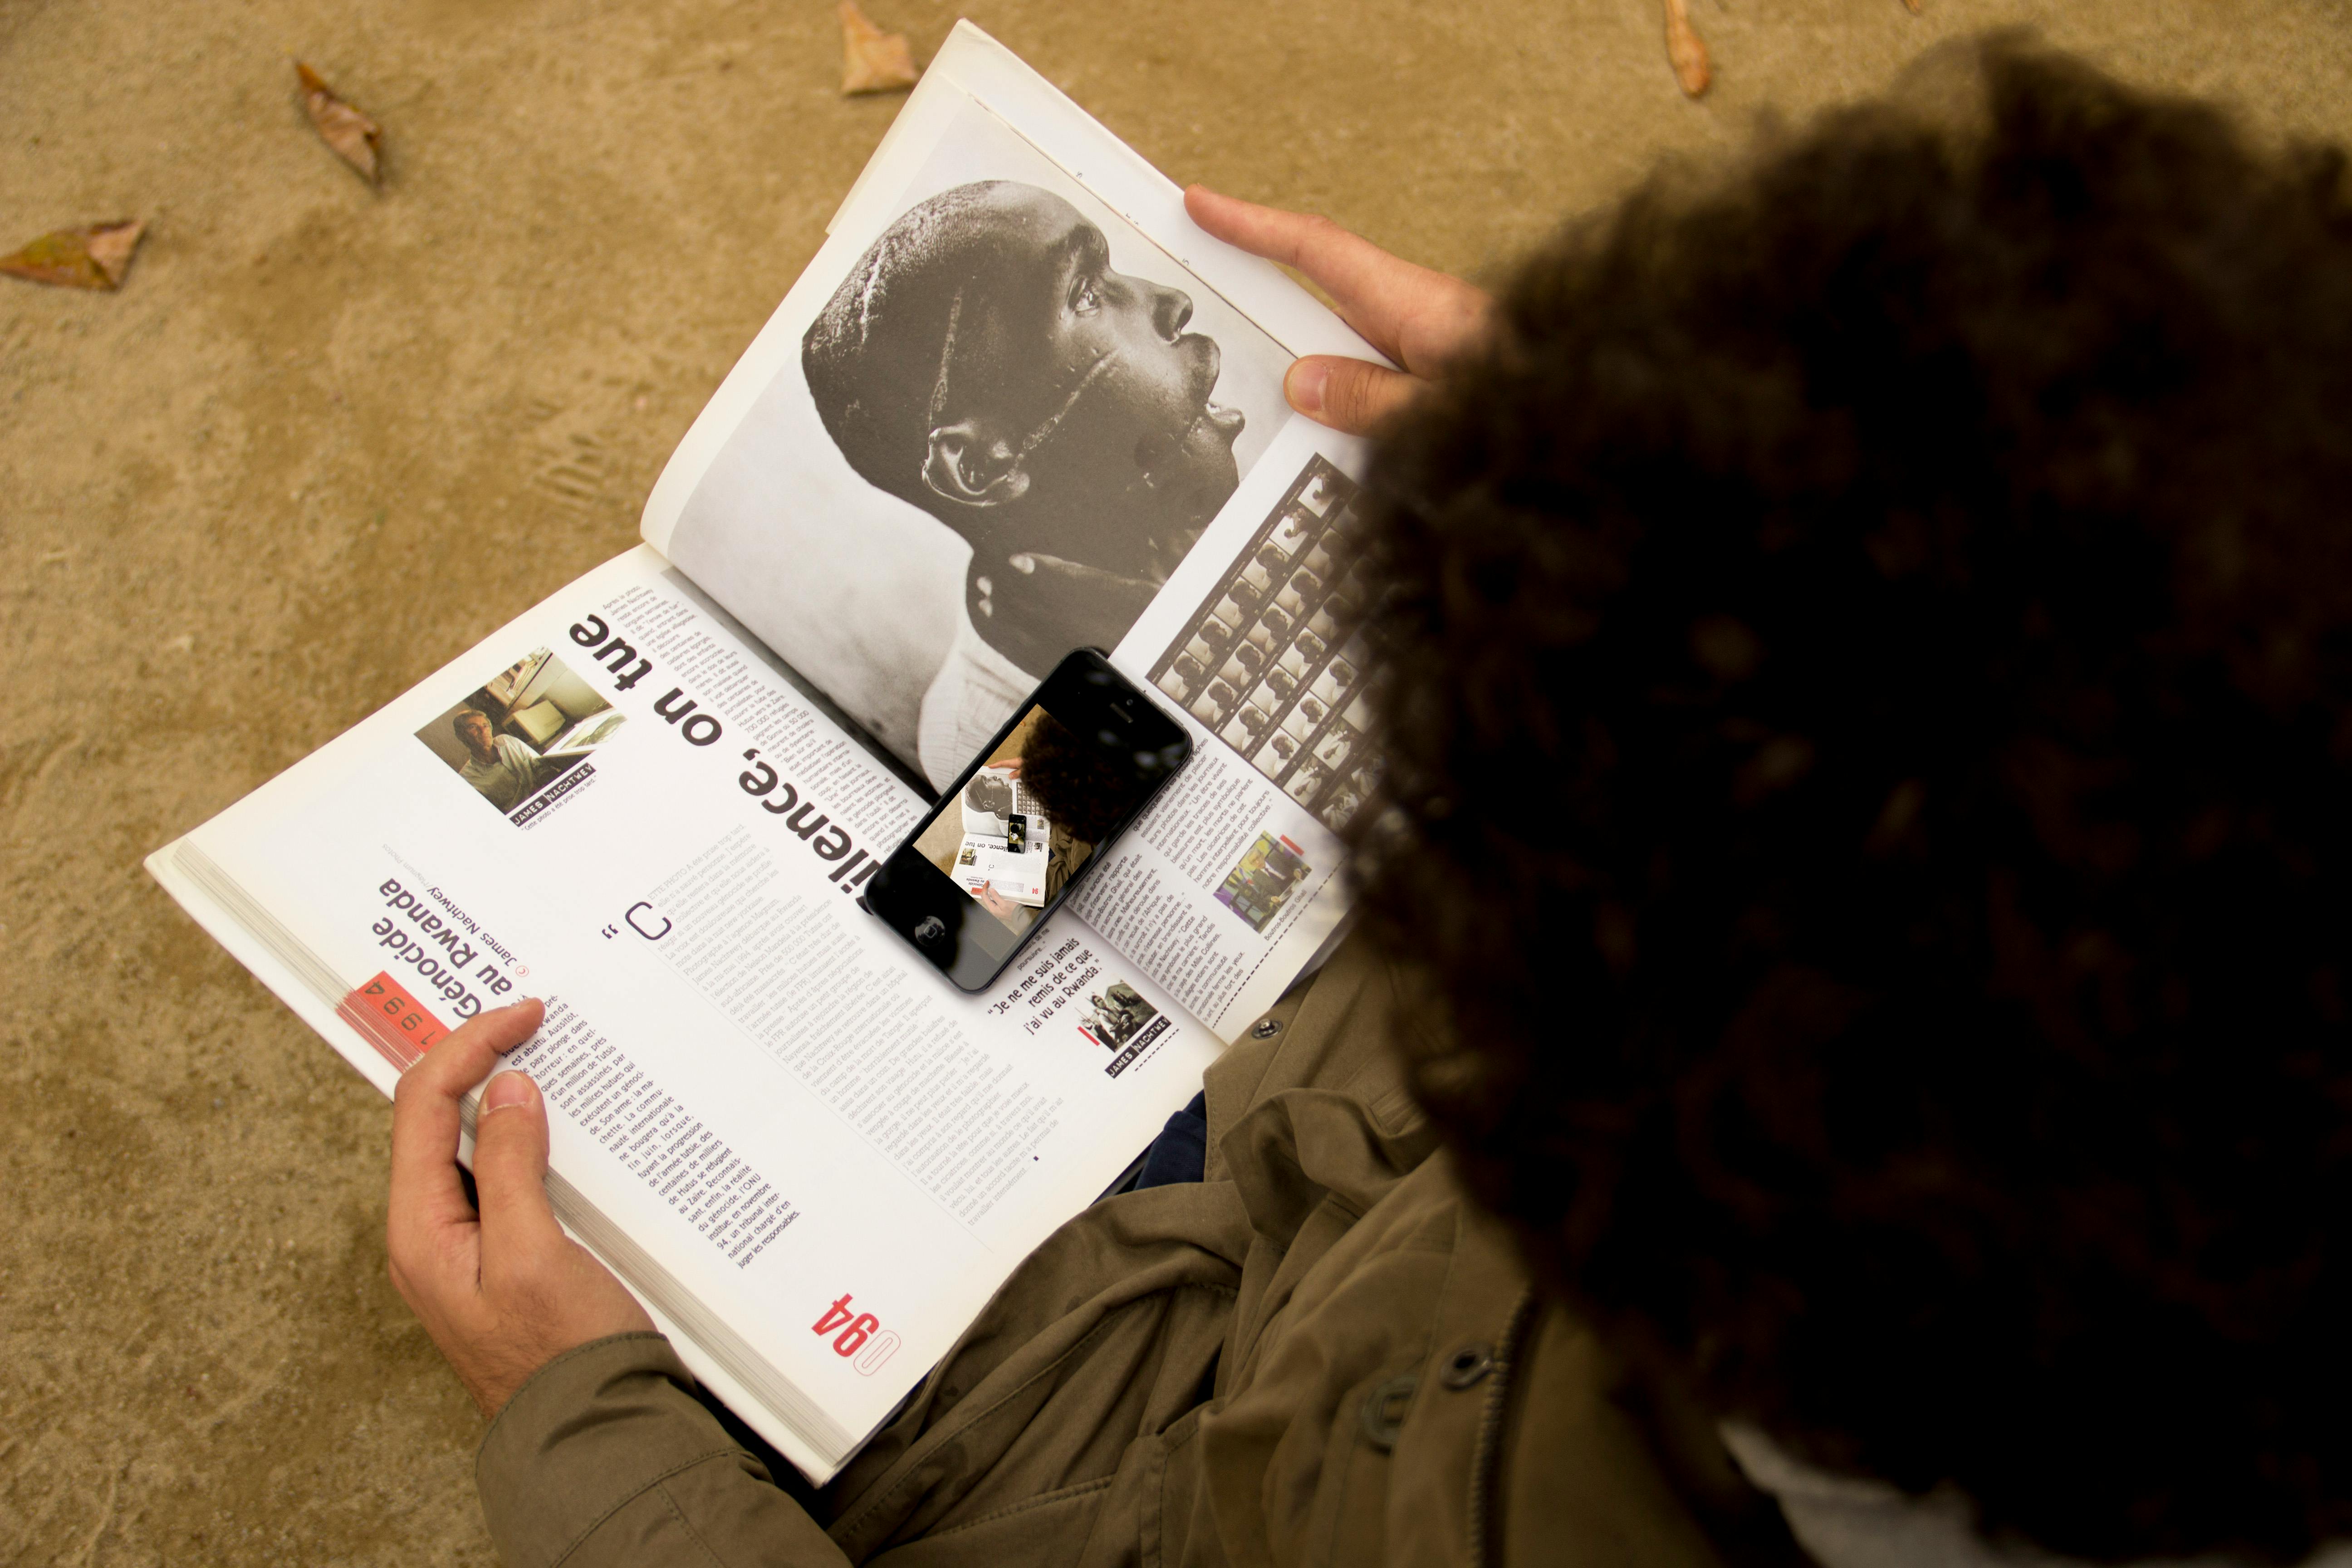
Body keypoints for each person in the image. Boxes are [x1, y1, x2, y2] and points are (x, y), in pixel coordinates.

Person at [386, 39, 2352, 1568]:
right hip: (1318, 1212)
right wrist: (1648, 477)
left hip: (1169, 1400)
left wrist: (593, 1435)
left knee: (698, 1213)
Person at [803, 180, 1252, 789]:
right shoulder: (976, 740)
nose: (1173, 301)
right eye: (1087, 293)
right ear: (983, 465)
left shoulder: (1214, 517)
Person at [448, 708, 545, 813]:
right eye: (473, 727)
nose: (483, 731)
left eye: (485, 726)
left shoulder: (507, 741)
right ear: (462, 737)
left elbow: (540, 765)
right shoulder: (467, 779)